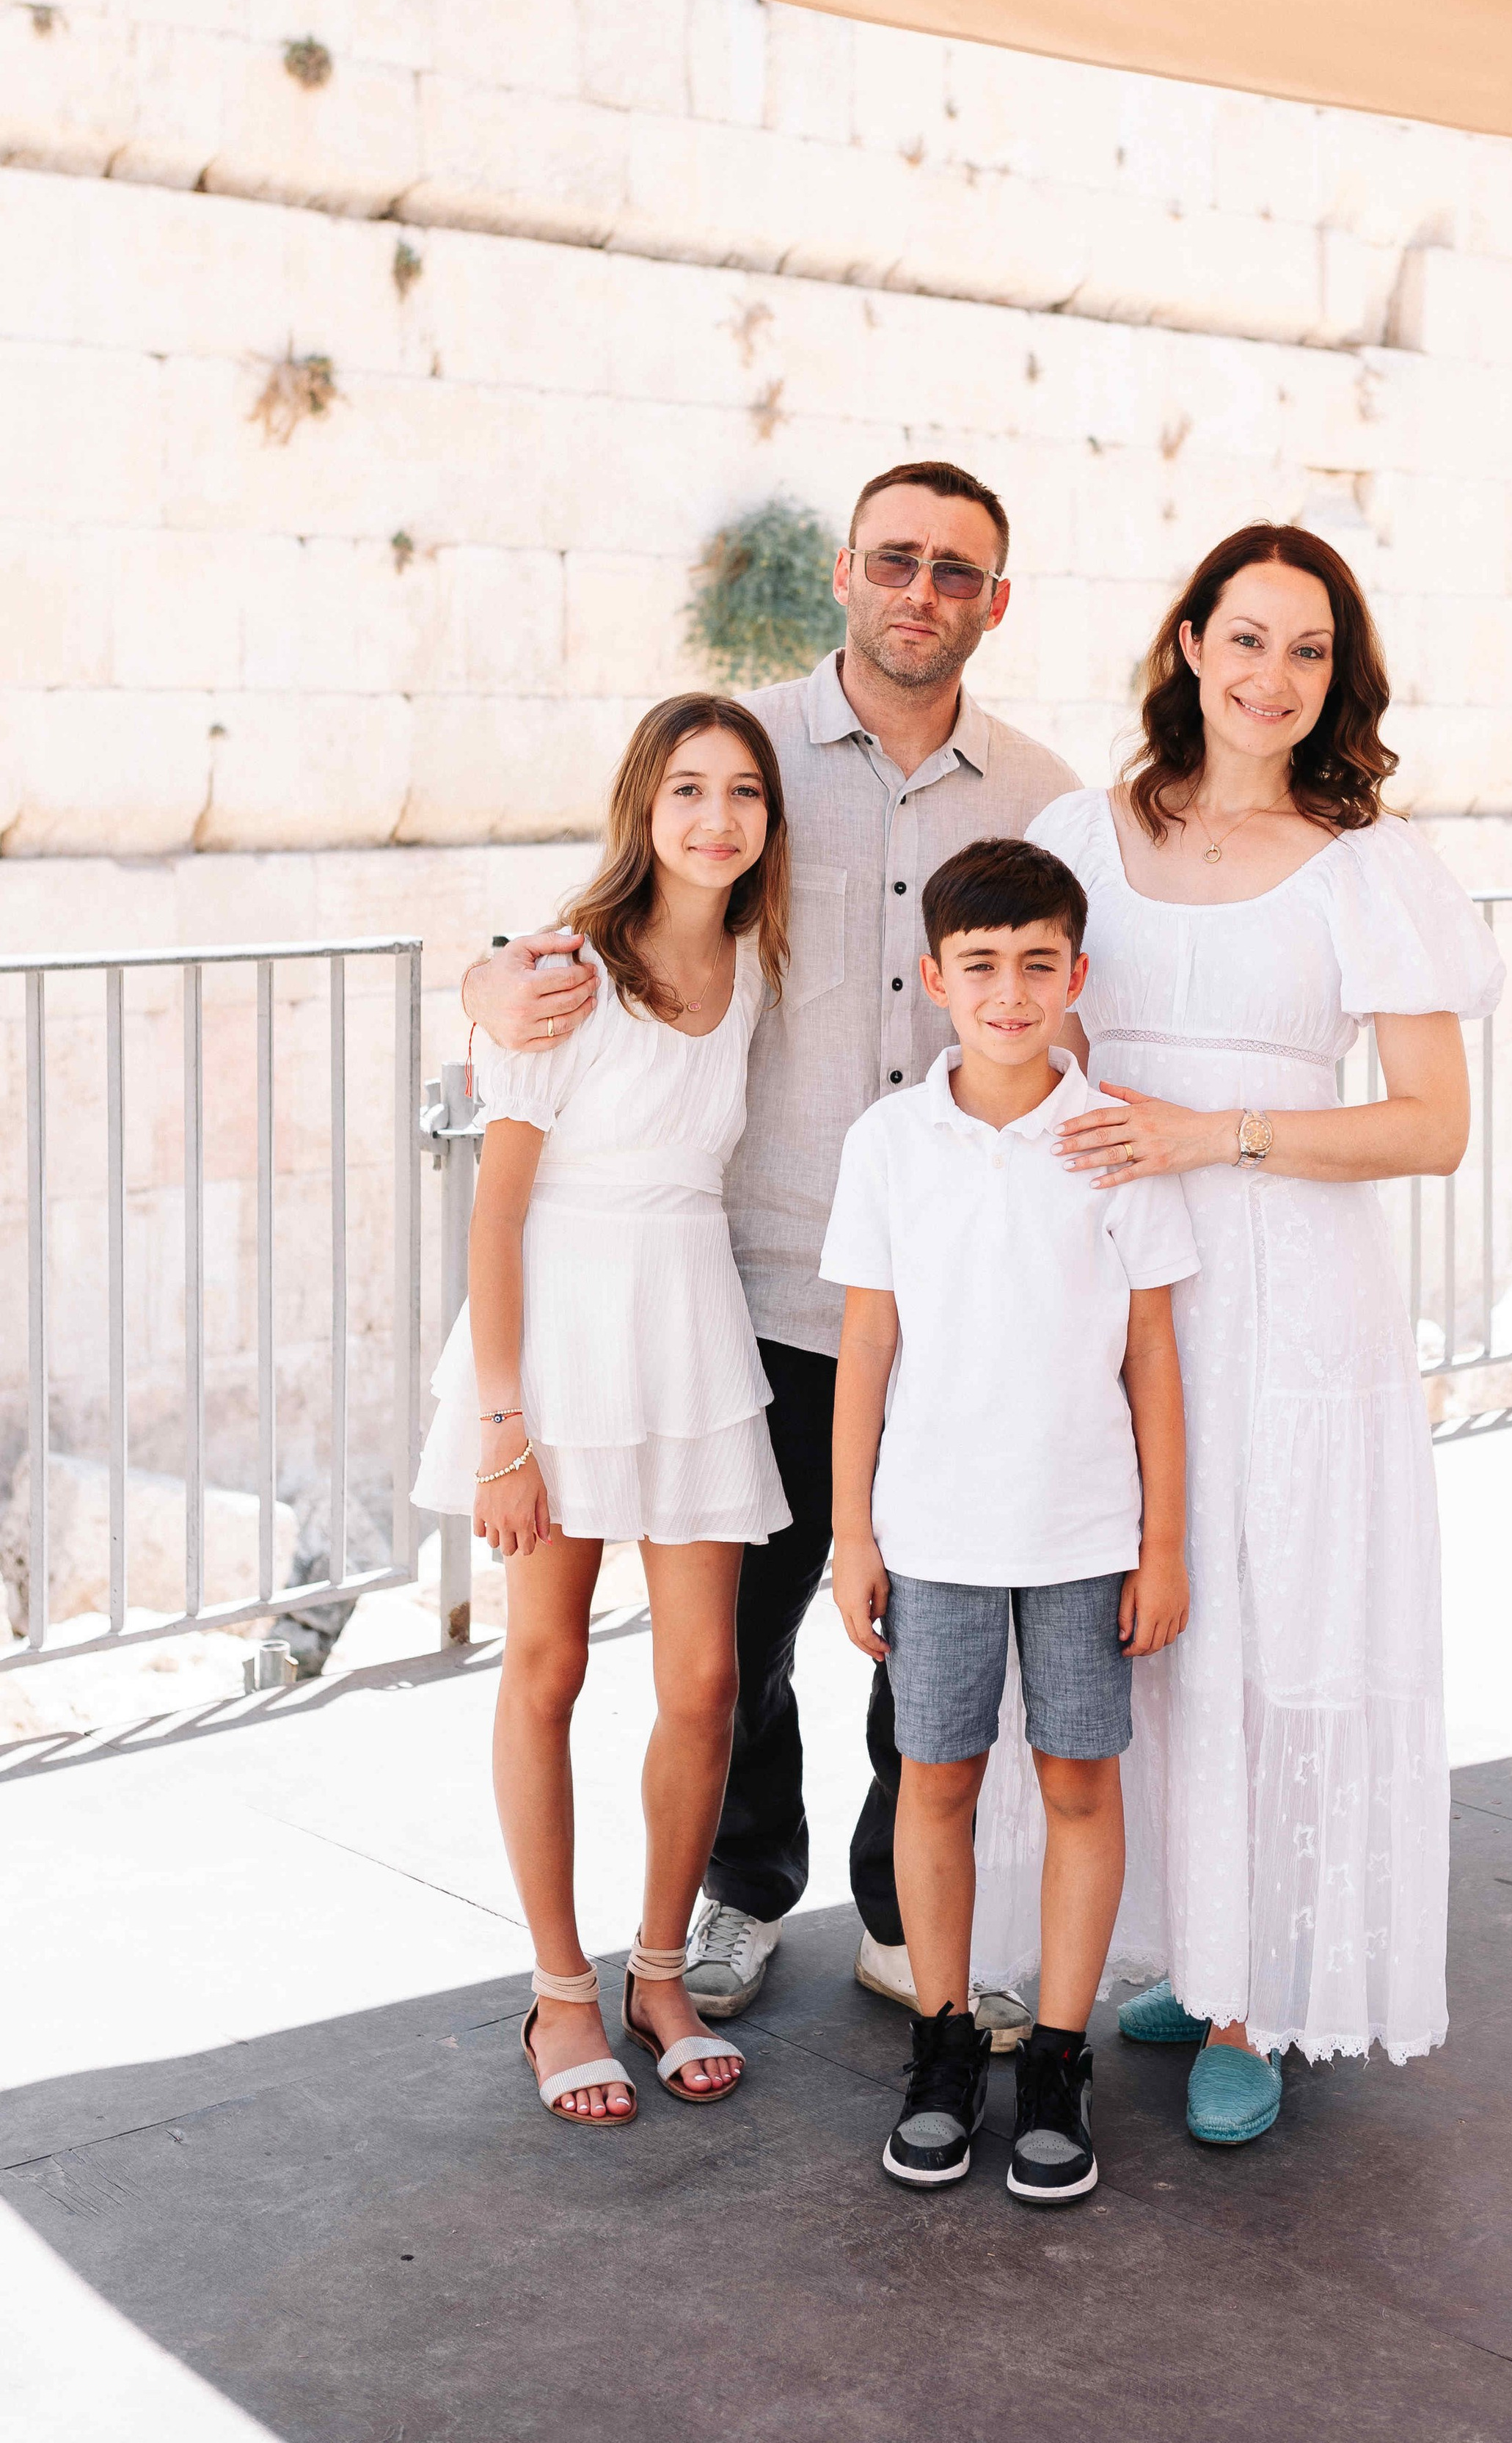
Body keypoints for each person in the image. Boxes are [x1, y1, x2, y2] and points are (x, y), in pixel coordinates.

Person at [459, 461, 1078, 2037]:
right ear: (844, 579)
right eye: (894, 560)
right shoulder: (747, 758)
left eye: (955, 572)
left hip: (955, 1303)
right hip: (747, 1294)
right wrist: (485, 979)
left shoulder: (1043, 791)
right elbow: (605, 911)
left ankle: (892, 1906)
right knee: (737, 1646)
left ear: (994, 605)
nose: (919, 592)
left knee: (928, 1624)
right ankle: (740, 1890)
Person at [1021, 521, 1505, 2146]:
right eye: (1246, 639)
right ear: (1186, 645)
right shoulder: (1077, 836)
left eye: (1307, 651)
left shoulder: (1369, 867)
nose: (1271, 678)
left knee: (1274, 1619)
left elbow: (1430, 1126)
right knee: (1140, 1622)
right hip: (1115, 1282)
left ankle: (1253, 1995)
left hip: (1293, 1296)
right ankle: (1177, 1942)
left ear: (1336, 677)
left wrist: (1208, 1135)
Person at [413, 695, 794, 2122]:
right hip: (559, 1340)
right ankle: (557, 1994)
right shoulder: (564, 972)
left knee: (704, 1680)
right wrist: (503, 1428)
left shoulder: (757, 960)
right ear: (643, 804)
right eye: (685, 789)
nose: (713, 819)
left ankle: (655, 1968)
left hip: (689, 1329)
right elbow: (496, 1213)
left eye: (742, 793)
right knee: (547, 1668)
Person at [825, 841, 1197, 2200]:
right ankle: (940, 2045)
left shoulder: (1114, 1140)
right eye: (980, 964)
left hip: (1087, 1533)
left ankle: (1055, 2055)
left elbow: (1153, 1352)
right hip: (931, 1536)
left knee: (1081, 1783)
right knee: (936, 1781)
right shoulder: (888, 1144)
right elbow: (867, 1345)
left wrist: (1164, 1543)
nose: (1009, 989)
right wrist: (852, 1535)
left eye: (1040, 963)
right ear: (935, 980)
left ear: (1076, 977)